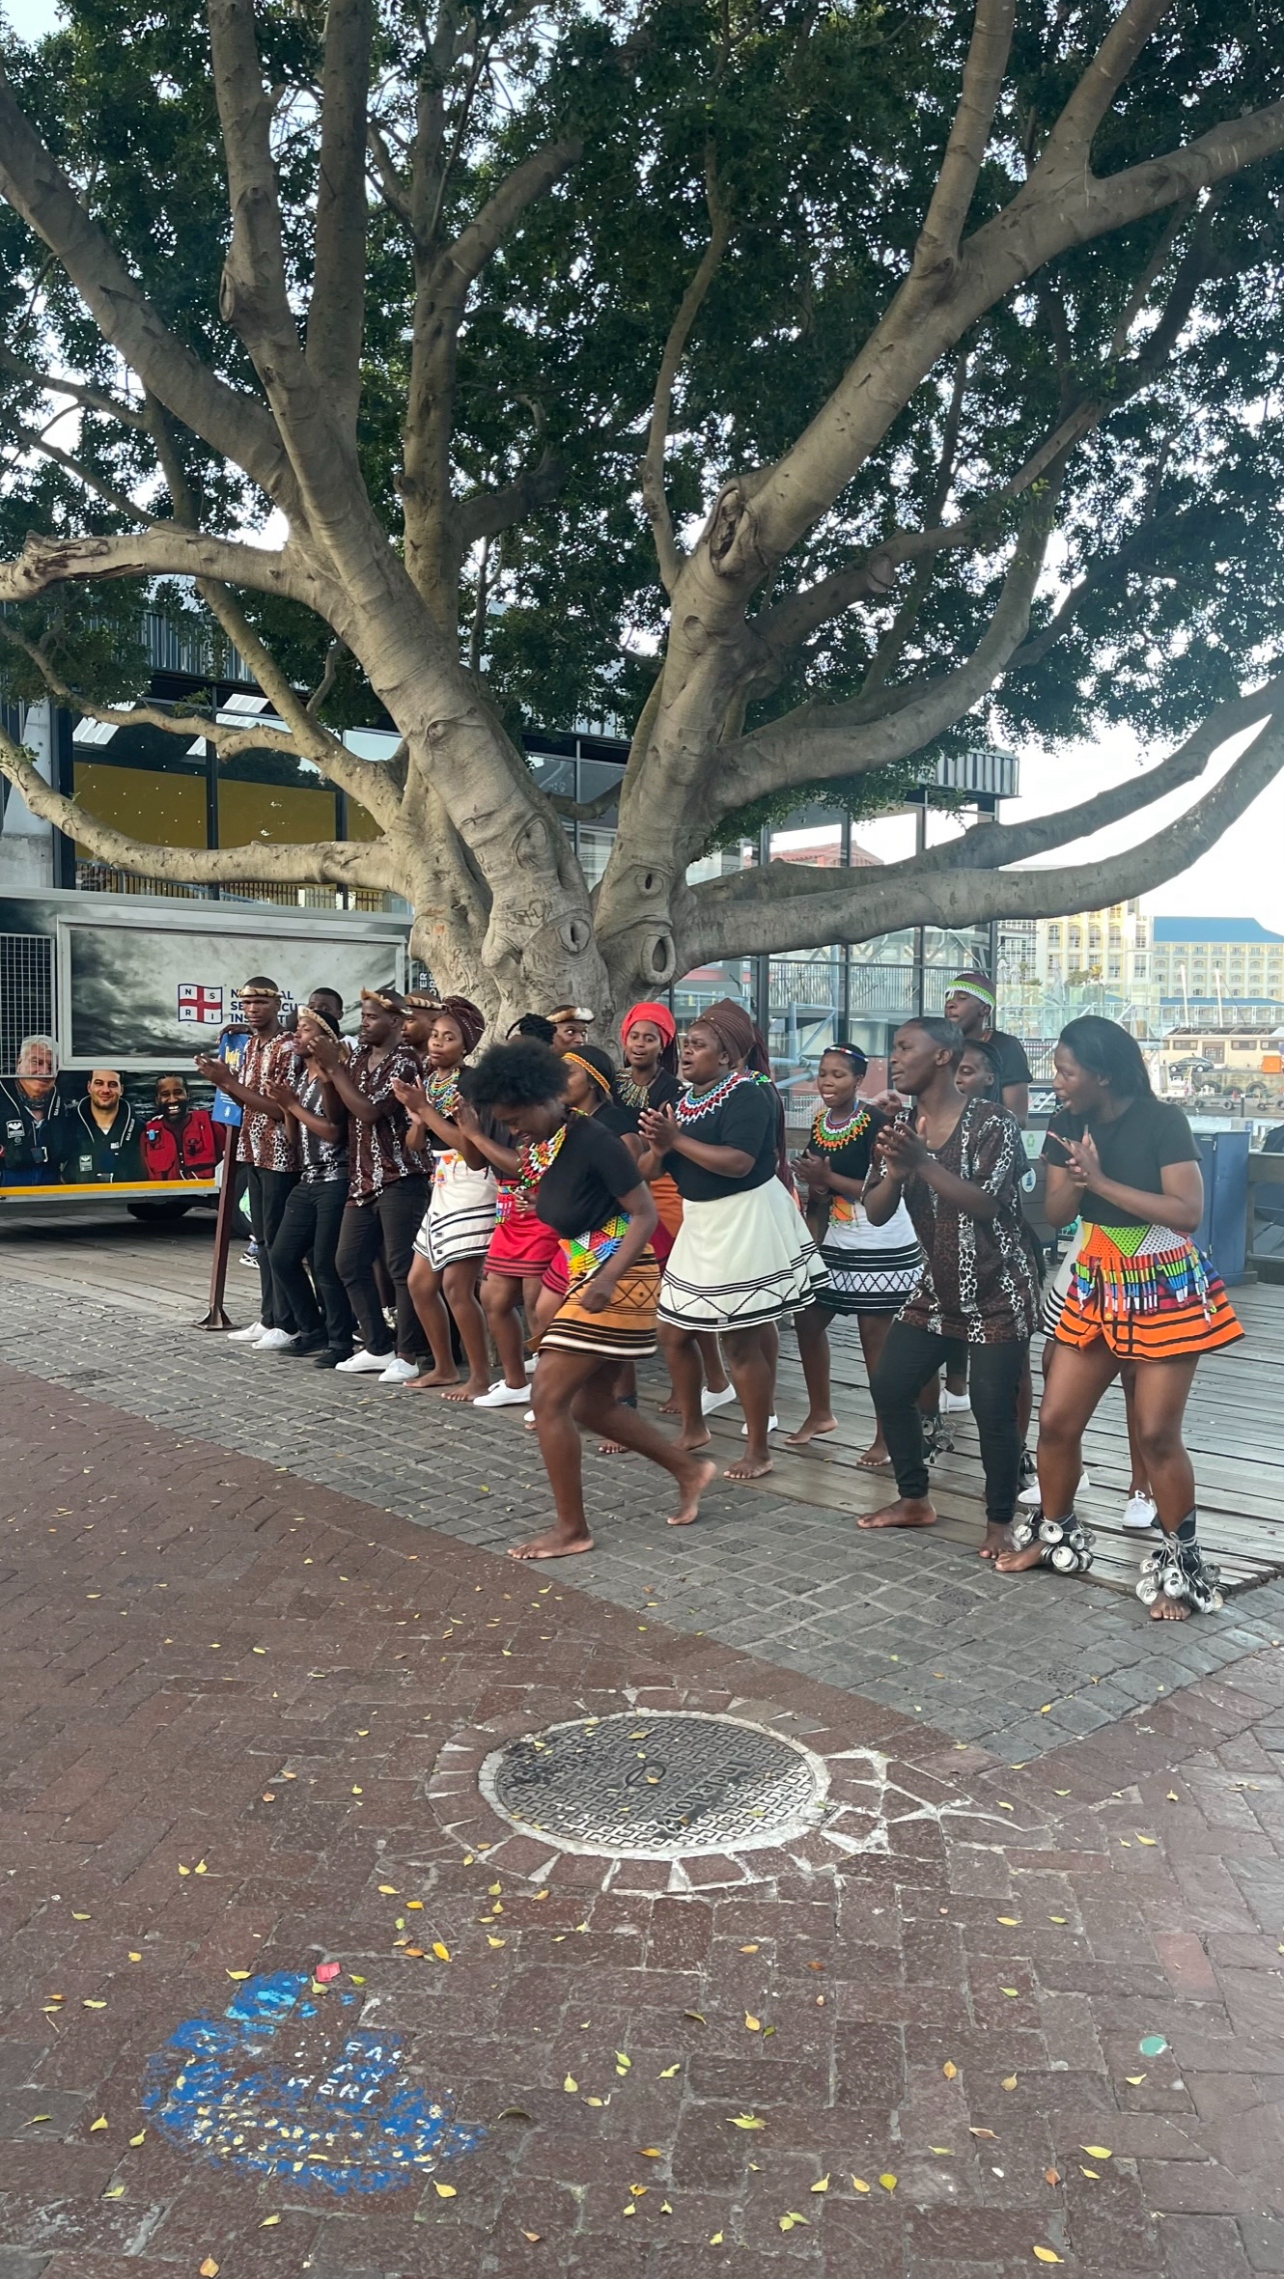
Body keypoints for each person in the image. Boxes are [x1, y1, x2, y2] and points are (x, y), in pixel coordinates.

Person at [997, 1015, 1242, 1616]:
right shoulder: (1064, 1124)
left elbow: (1185, 1211)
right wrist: (1080, 1181)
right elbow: (1055, 1214)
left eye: (1066, 1070)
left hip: (1163, 1281)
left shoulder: (1163, 1121)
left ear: (1102, 1074)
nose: (1056, 1080)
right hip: (1099, 1277)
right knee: (1056, 1421)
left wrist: (1102, 1177)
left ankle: (1180, 1567)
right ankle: (1056, 1536)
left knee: (1157, 1432)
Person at [468, 1038, 717, 1557]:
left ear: (543, 1098)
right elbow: (558, 1189)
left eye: (516, 1119)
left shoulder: (597, 1139)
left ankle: (572, 1530)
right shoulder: (550, 1140)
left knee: (549, 1397)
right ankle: (689, 1470)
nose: (512, 1129)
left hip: (618, 1275)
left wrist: (606, 1280)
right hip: (583, 1267)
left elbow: (645, 1214)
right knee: (592, 1404)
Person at [859, 1017, 1040, 1558]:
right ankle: (914, 1499)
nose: (893, 1058)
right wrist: (895, 1170)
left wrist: (922, 1162)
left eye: (904, 1047)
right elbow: (874, 1210)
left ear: (942, 1056)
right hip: (935, 1288)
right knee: (890, 1386)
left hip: (998, 1288)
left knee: (992, 1410)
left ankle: (999, 1521)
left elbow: (986, 1203)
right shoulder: (899, 1126)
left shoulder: (993, 1122)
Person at [640, 999, 827, 1482]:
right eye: (684, 1044)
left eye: (697, 1045)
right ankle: (694, 1425)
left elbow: (740, 1162)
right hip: (700, 1223)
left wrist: (674, 1139)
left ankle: (758, 1448)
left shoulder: (750, 1094)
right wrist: (660, 1146)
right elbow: (651, 1169)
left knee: (740, 1341)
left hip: (743, 1220)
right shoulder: (682, 1100)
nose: (685, 1052)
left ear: (727, 1057)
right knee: (673, 1331)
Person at [788, 1044, 922, 1462]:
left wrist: (827, 1177)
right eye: (823, 1074)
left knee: (874, 1339)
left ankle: (886, 1436)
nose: (827, 1082)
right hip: (838, 1236)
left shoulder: (876, 1123)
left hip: (879, 1237)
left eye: (838, 1075)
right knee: (807, 1320)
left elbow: (883, 1191)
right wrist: (818, 1189)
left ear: (859, 1081)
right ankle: (820, 1413)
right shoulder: (821, 1121)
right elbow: (822, 1189)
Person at [307, 989, 433, 1381]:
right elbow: (337, 1116)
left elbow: (371, 1111)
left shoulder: (406, 1062)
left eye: (372, 1017)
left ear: (395, 1023)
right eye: (362, 1016)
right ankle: (378, 1345)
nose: (363, 1023)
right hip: (362, 1179)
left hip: (400, 1177)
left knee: (400, 1269)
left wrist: (337, 1071)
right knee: (347, 1262)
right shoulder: (358, 1058)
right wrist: (329, 1074)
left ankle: (408, 1353)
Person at [392, 996, 497, 1397]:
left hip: (472, 1184)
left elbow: (473, 1153)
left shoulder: (471, 1084)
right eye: (434, 1035)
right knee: (420, 1283)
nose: (437, 1043)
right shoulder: (429, 1080)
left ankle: (480, 1376)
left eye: (448, 1037)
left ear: (465, 1046)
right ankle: (444, 1367)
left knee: (456, 1286)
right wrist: (417, 1117)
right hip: (442, 1182)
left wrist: (427, 1112)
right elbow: (415, 1142)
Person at [194, 979, 303, 1350]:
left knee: (275, 1238)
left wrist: (226, 1082)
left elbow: (281, 1107)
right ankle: (268, 1315)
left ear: (276, 1004)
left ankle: (286, 1321)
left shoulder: (286, 1047)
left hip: (278, 1153)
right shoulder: (249, 1045)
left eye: (260, 1002)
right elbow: (244, 1100)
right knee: (261, 1237)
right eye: (247, 1003)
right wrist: (223, 1081)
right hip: (251, 1149)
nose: (252, 1009)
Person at [265, 1004, 357, 1368]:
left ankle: (340, 1340)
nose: (295, 1036)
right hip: (308, 1176)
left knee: (325, 1263)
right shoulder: (303, 1077)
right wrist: (286, 1107)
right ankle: (311, 1327)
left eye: (302, 1030)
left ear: (323, 1038)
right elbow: (294, 1137)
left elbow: (335, 1132)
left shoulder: (333, 1077)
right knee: (281, 1256)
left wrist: (294, 1106)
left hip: (336, 1176)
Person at [0, 1035, 70, 1185]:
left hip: (48, 1198)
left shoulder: (64, 1105)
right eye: (36, 1062)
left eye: (51, 1066)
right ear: (19, 1062)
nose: (44, 1071)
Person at [60, 1068, 141, 1183]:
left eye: (112, 1085)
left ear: (121, 1090)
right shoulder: (67, 1126)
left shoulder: (139, 1129)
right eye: (99, 1083)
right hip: (80, 1199)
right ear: (89, 1087)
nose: (105, 1090)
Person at [141, 1074, 224, 1181]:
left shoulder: (212, 1125)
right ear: (157, 1100)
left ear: (188, 1095)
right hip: (166, 1197)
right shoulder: (146, 1135)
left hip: (207, 1196)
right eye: (165, 1094)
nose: (172, 1100)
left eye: (178, 1093)